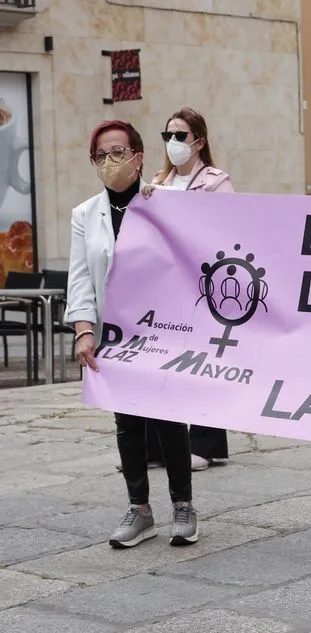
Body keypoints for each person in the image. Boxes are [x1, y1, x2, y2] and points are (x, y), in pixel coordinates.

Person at [65, 120, 199, 548]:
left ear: (138, 157)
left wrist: (164, 206)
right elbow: (81, 278)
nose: (110, 162)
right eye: (100, 155)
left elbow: (196, 253)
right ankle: (140, 509)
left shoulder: (168, 201)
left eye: (118, 152)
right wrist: (84, 330)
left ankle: (183, 505)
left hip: (164, 330)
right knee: (127, 421)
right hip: (116, 334)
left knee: (168, 416)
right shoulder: (85, 214)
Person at [141, 107, 234, 472]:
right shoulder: (156, 181)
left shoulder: (215, 181)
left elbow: (228, 227)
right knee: (157, 359)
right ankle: (154, 445)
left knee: (202, 362)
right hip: (162, 285)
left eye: (180, 135)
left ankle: (205, 445)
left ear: (198, 141)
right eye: (168, 136)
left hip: (200, 284)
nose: (173, 143)